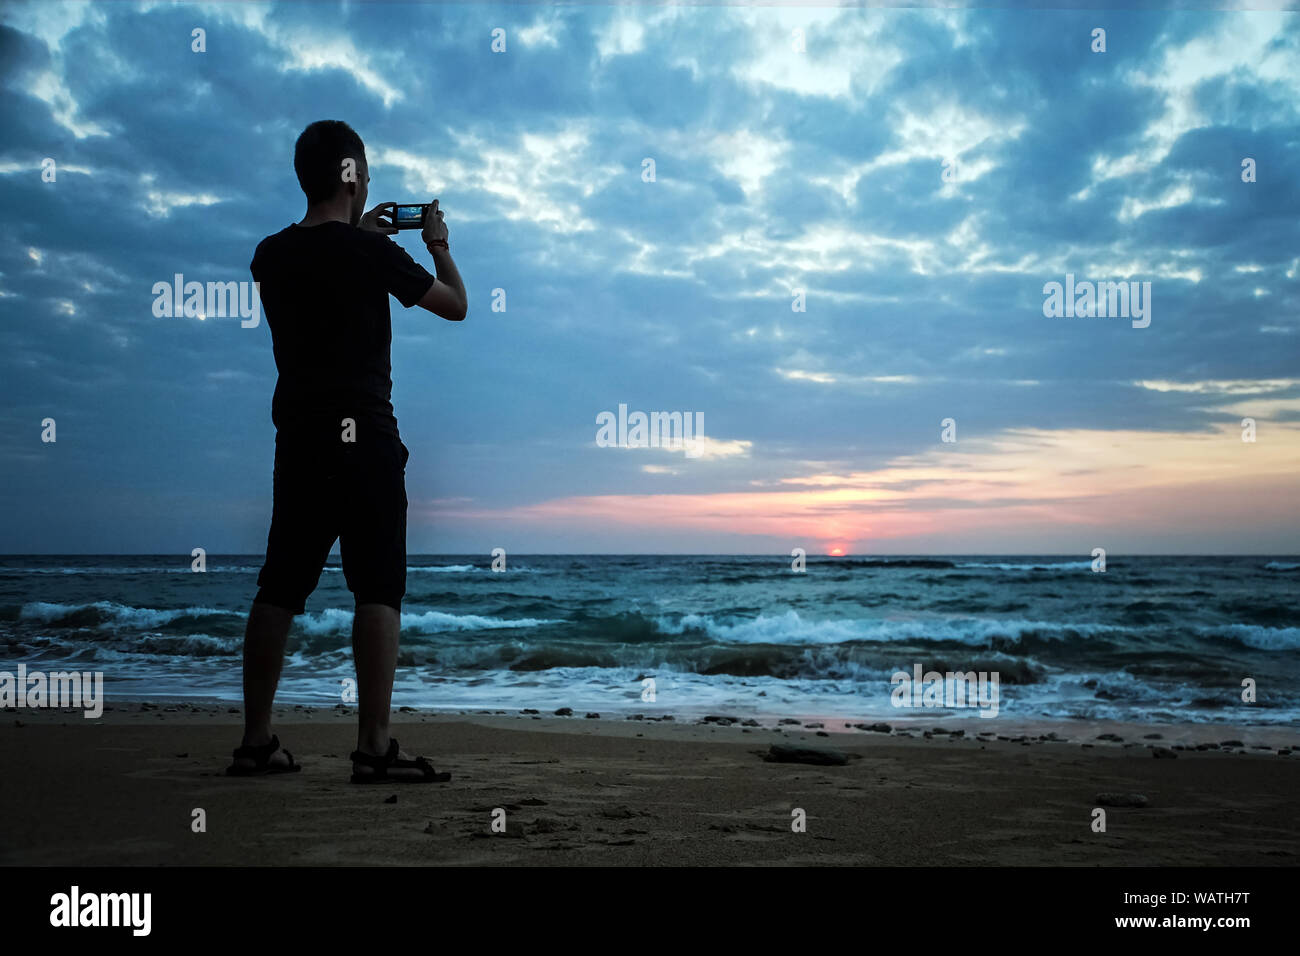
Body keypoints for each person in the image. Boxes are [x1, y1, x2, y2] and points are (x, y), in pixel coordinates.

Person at [227, 120, 466, 782]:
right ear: (354, 178)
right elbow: (455, 305)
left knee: (280, 586)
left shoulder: (269, 255)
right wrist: (437, 244)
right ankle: (373, 747)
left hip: (299, 438)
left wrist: (362, 236)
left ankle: (256, 741)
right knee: (378, 588)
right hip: (366, 437)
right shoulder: (372, 255)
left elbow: (321, 264)